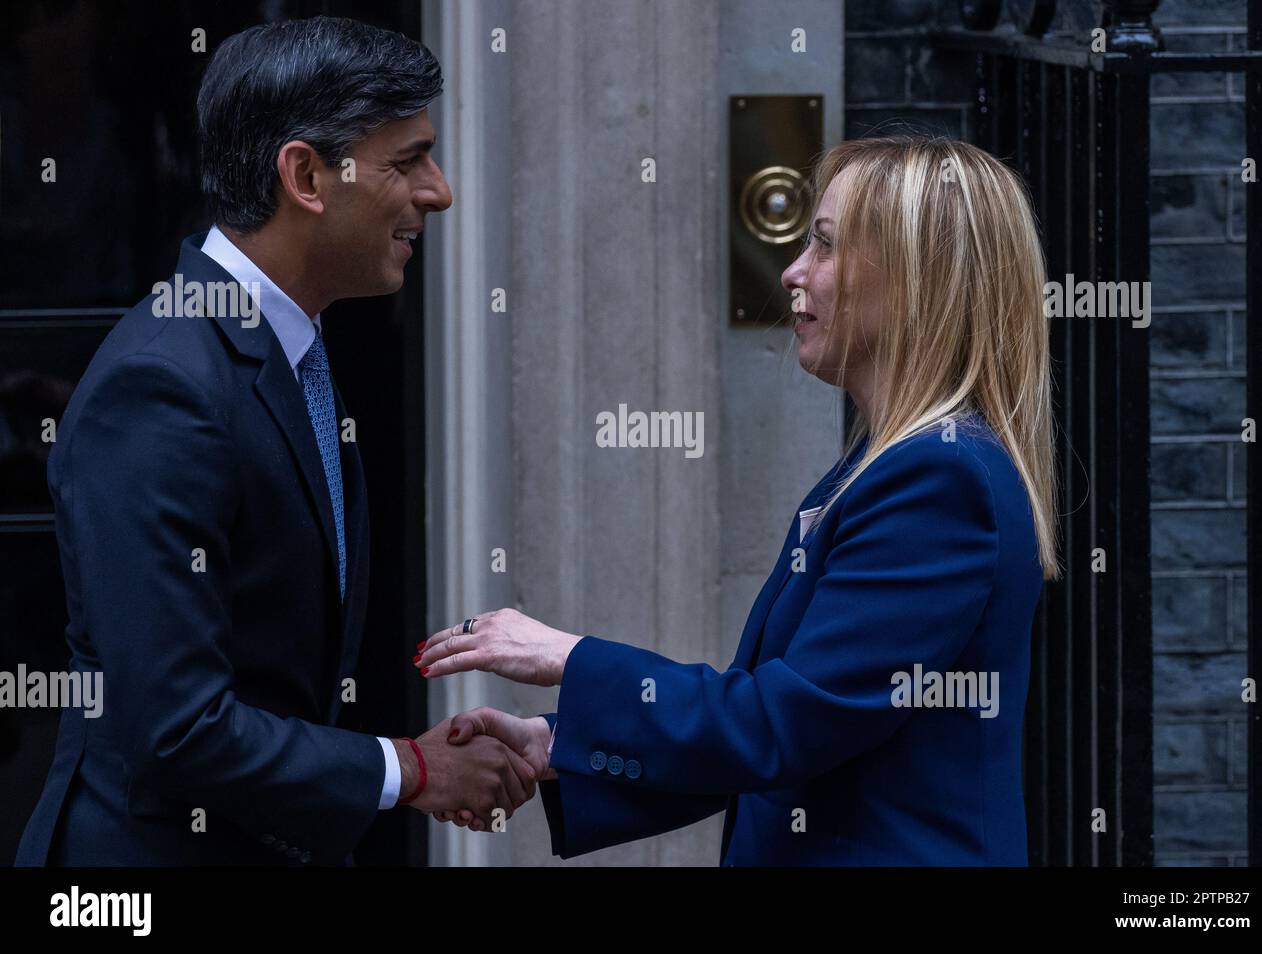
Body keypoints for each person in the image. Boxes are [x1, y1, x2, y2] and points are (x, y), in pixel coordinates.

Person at [415, 134, 1061, 865]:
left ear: (916, 282)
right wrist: (556, 743)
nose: (793, 272)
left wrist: (570, 656)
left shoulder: (938, 482)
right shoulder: (895, 466)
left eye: (824, 246)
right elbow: (780, 738)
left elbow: (780, 728)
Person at [16, 16, 534, 867]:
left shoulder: (288, 351)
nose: (438, 192)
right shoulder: (164, 386)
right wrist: (407, 769)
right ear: (305, 176)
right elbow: (177, 729)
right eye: (407, 161)